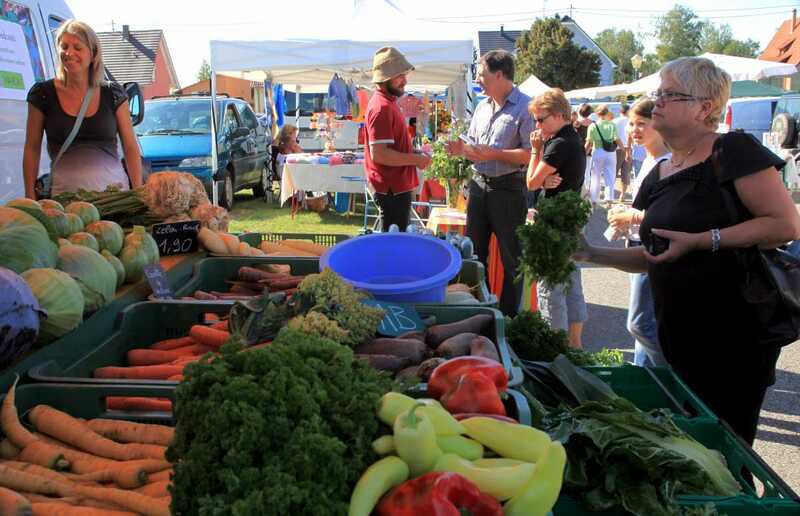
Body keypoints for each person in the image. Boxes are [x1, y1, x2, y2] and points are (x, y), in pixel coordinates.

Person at [576, 57, 800, 444]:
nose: (655, 101)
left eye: (669, 94)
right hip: (676, 333)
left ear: (705, 107)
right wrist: (590, 254)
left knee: (724, 447)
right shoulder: (663, 171)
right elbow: (655, 256)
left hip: (733, 337)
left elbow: (784, 226)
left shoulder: (732, 151)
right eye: (656, 92)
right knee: (685, 444)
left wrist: (704, 240)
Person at [445, 50, 533, 316]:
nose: (478, 80)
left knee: (512, 260)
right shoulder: (482, 107)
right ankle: (476, 313)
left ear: (499, 74)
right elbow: (475, 149)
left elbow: (530, 154)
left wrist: (493, 153)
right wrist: (460, 149)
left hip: (508, 189)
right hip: (479, 187)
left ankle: (506, 319)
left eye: (481, 74)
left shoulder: (525, 107)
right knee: (474, 256)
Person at [23, 20, 142, 199]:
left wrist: (138, 193)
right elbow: (32, 148)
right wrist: (30, 196)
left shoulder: (113, 93)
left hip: (115, 199)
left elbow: (130, 146)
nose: (69, 53)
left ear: (93, 53)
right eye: (64, 46)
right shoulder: (42, 94)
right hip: (64, 205)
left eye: (77, 47)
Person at [606, 98, 670, 367]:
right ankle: (645, 382)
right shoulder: (649, 159)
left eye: (642, 123)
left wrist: (630, 215)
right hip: (638, 243)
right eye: (632, 123)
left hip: (652, 250)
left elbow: (669, 215)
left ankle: (675, 378)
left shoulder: (666, 162)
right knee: (644, 326)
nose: (634, 129)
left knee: (641, 324)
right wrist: (627, 210)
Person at [527, 88, 588, 346]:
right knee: (571, 285)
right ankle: (575, 345)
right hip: (570, 221)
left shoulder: (558, 144)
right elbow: (543, 182)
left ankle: (556, 349)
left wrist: (534, 150)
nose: (538, 125)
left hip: (553, 224)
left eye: (541, 119)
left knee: (551, 290)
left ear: (560, 114)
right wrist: (545, 182)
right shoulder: (572, 139)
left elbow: (530, 182)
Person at [363, 47, 431, 232]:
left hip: (395, 187)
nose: (405, 80)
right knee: (393, 246)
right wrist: (416, 159)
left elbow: (389, 148)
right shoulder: (381, 107)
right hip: (391, 188)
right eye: (399, 75)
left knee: (395, 242)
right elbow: (380, 154)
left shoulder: (388, 103)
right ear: (385, 77)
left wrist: (414, 153)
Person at [585, 104, 623, 205]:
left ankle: (594, 199)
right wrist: (624, 149)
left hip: (597, 151)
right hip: (611, 152)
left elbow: (589, 143)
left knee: (595, 176)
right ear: (607, 113)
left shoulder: (592, 126)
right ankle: (609, 198)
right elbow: (617, 139)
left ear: (597, 114)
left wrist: (584, 153)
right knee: (610, 175)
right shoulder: (612, 125)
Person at [613, 103, 631, 201]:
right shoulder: (631, 121)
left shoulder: (614, 121)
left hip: (617, 149)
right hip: (629, 148)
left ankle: (611, 193)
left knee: (614, 172)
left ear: (620, 112)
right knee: (626, 172)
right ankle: (623, 195)